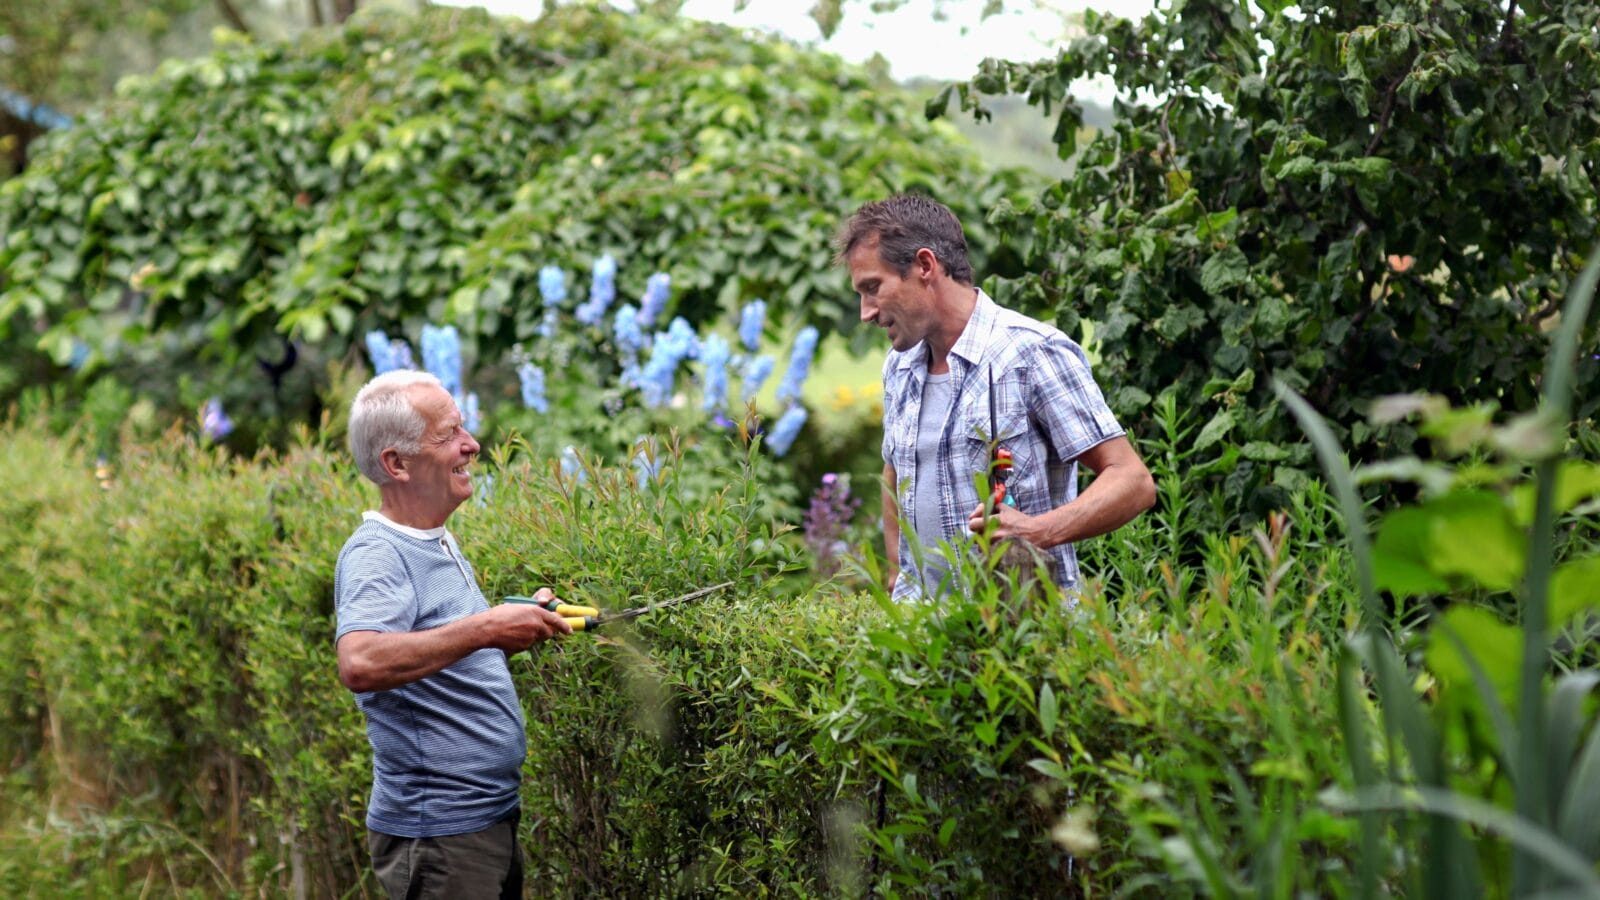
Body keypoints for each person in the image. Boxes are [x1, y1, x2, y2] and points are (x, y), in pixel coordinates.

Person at [837, 194, 1156, 600]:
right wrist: (899, 577)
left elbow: (1133, 480)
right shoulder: (898, 368)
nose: (866, 311)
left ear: (924, 266)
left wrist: (1040, 530)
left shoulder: (1030, 352)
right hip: (923, 640)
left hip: (1022, 636)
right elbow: (895, 473)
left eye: (872, 288)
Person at [334, 370, 572, 899]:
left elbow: (448, 647)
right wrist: (487, 627)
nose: (472, 445)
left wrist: (513, 621)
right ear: (396, 464)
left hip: (481, 819)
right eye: (448, 436)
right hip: (440, 835)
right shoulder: (379, 554)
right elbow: (360, 662)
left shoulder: (431, 538)